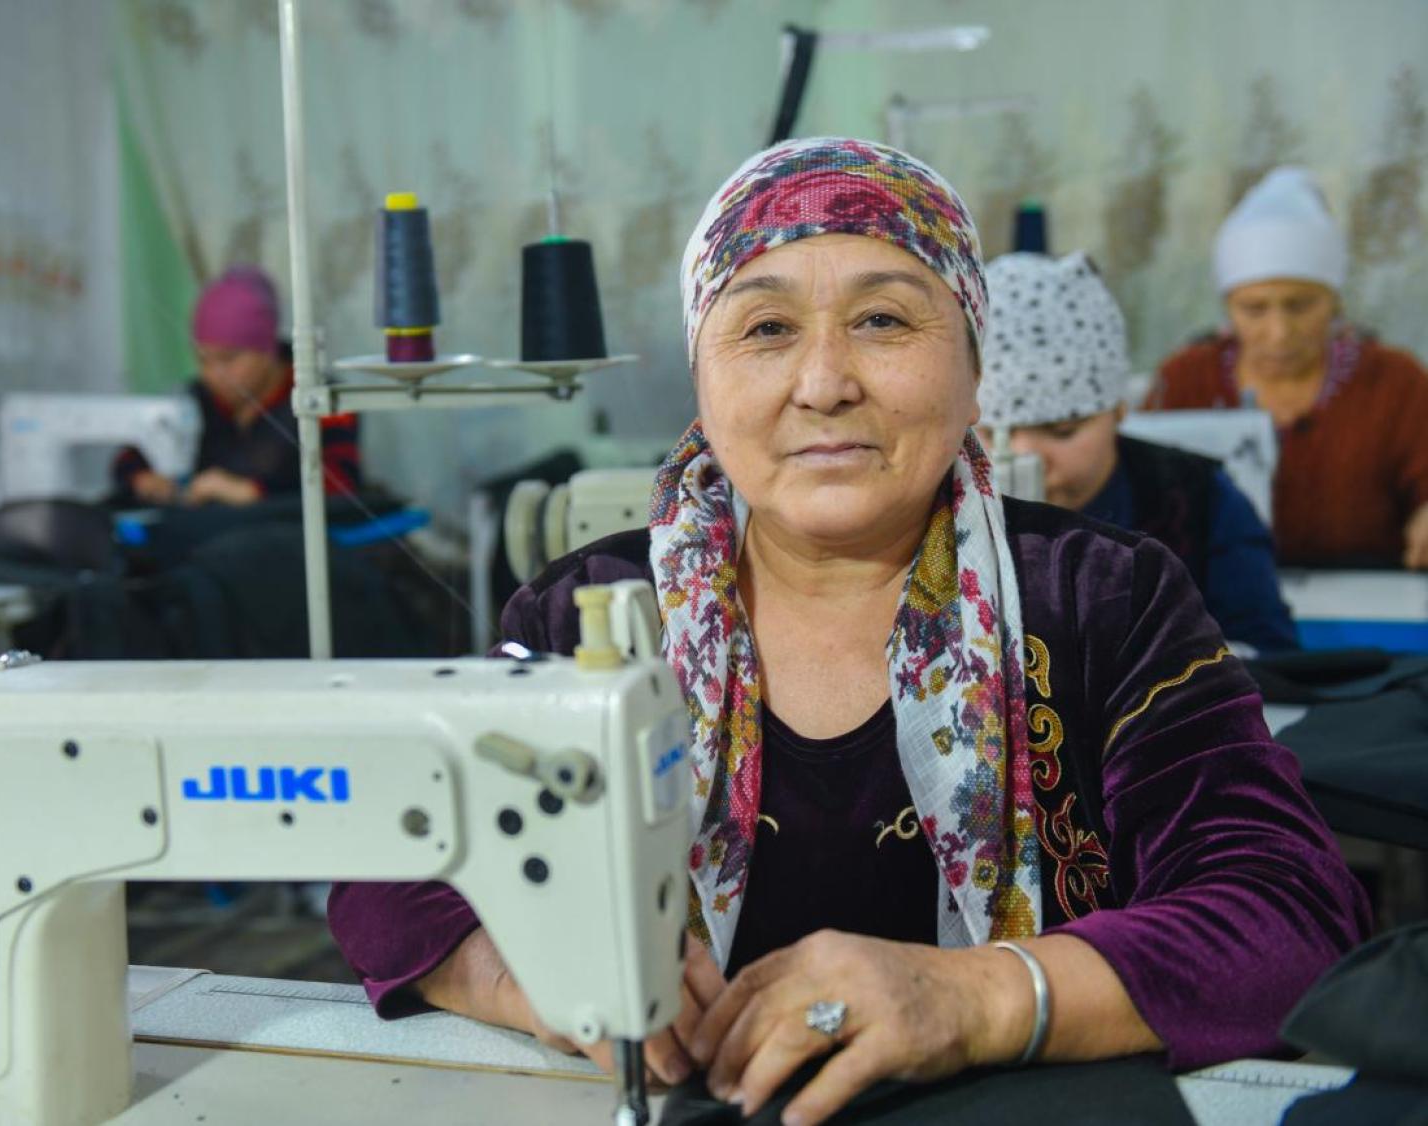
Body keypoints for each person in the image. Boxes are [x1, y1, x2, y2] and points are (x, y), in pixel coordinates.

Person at [328, 139, 1369, 1125]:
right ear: (704, 378)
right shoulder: (582, 613)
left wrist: (970, 1000)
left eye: (881, 320)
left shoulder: (1104, 598)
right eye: (765, 328)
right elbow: (386, 865)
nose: (822, 381)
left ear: (972, 374)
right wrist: (545, 986)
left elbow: (1283, 907)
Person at [976, 251, 1297, 653]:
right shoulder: (931, 511)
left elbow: (1271, 655)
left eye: (1062, 431)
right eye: (991, 434)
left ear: (1119, 409)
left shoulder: (1201, 504)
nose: (1027, 458)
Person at [1148, 167, 1428, 569]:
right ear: (1228, 308)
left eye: (1300, 306)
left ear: (1335, 302)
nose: (1278, 332)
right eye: (1254, 309)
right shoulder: (1184, 381)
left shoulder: (1395, 382)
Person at [113, 266, 359, 507]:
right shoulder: (194, 399)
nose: (213, 373)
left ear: (267, 350)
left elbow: (340, 485)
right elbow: (128, 461)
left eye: (228, 358)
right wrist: (143, 480)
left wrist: (253, 492)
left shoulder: (323, 399)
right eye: (203, 359)